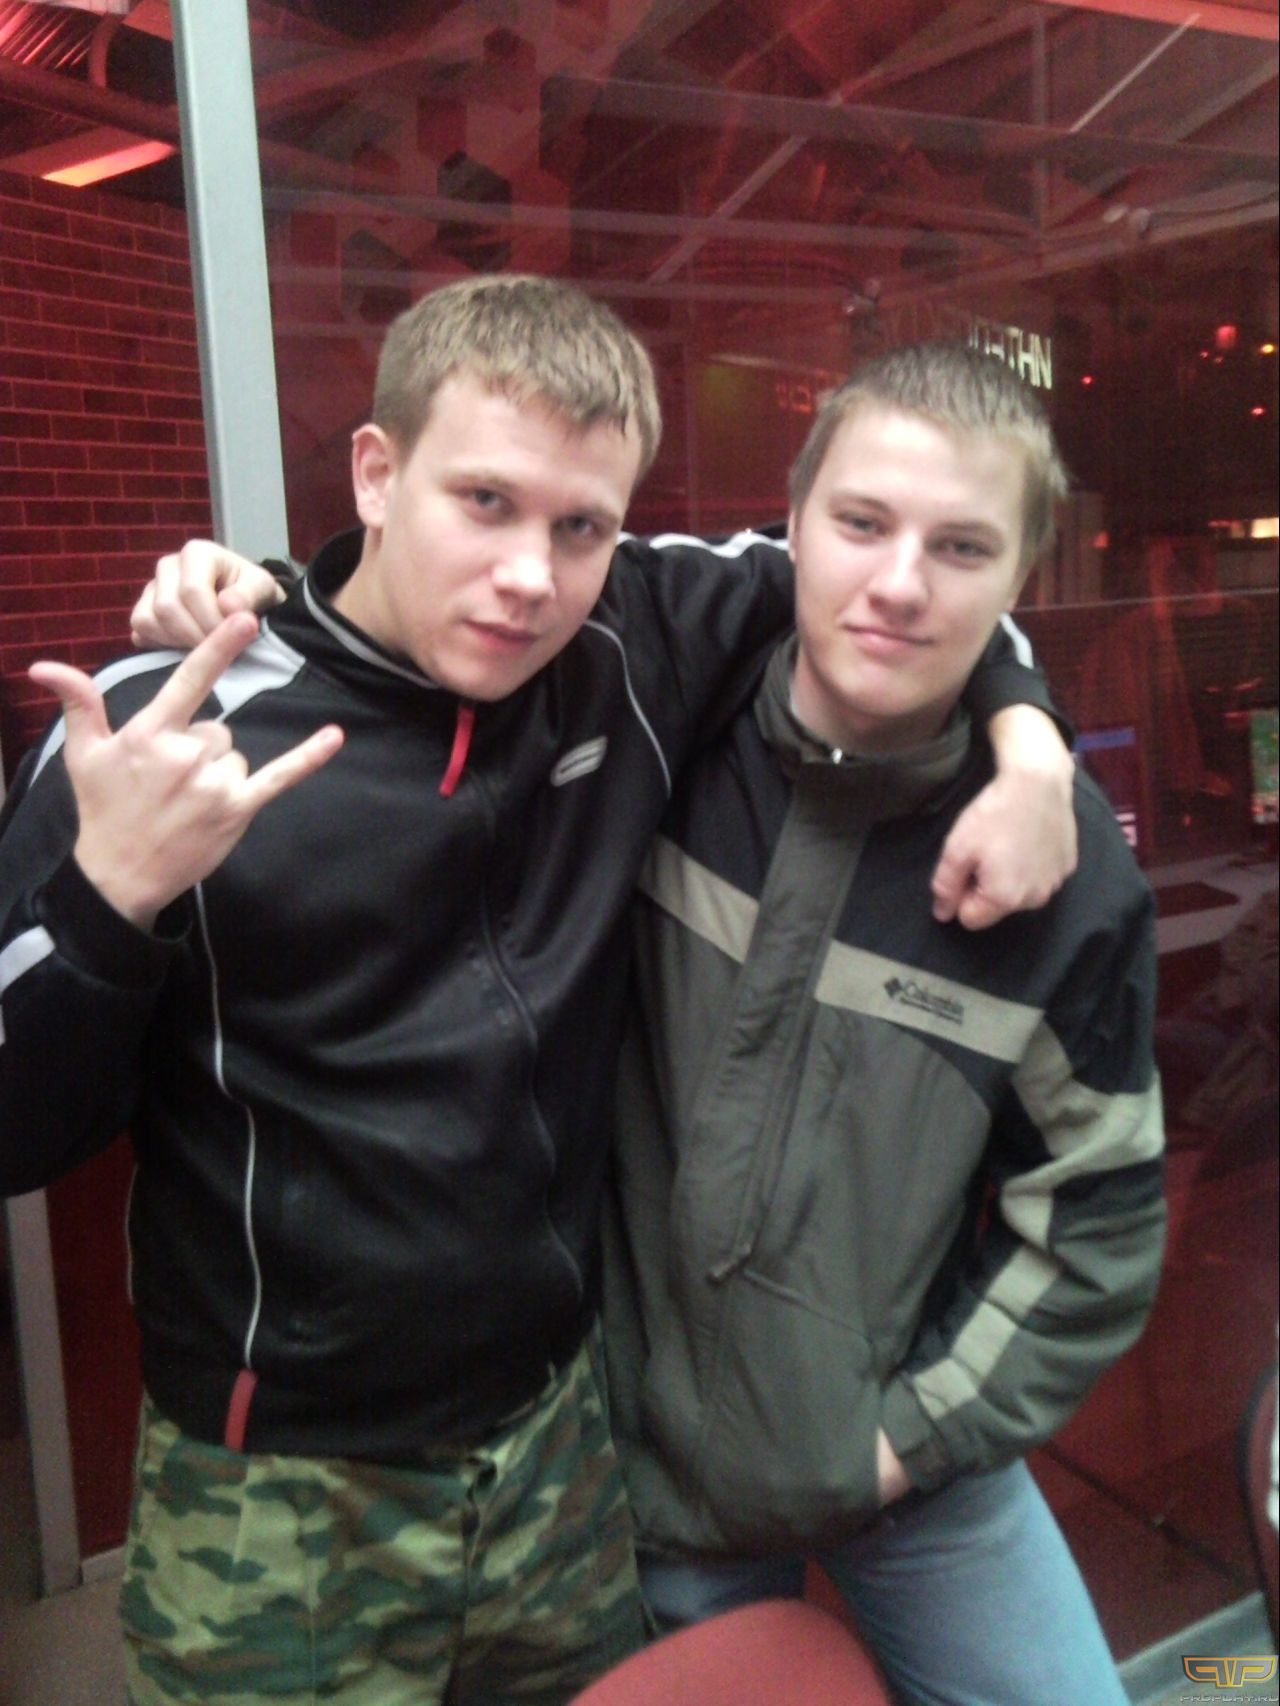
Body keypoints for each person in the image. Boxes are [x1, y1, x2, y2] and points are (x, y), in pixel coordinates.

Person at [1, 279, 1073, 1706]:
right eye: (485, 502)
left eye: (581, 526)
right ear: (376, 473)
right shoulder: (169, 723)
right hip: (279, 1491)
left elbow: (898, 591)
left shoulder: (629, 639)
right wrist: (109, 897)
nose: (530, 576)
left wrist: (1032, 749)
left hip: (561, 1453)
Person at [602, 342, 1166, 1706]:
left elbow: (1094, 1216)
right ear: (791, 525)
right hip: (641, 1465)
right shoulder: (660, 721)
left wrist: (905, 1445)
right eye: (862, 523)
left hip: (898, 1459)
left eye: (962, 547)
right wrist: (252, 593)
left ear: (1019, 579)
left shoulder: (1066, 870)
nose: (902, 583)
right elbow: (444, 596)